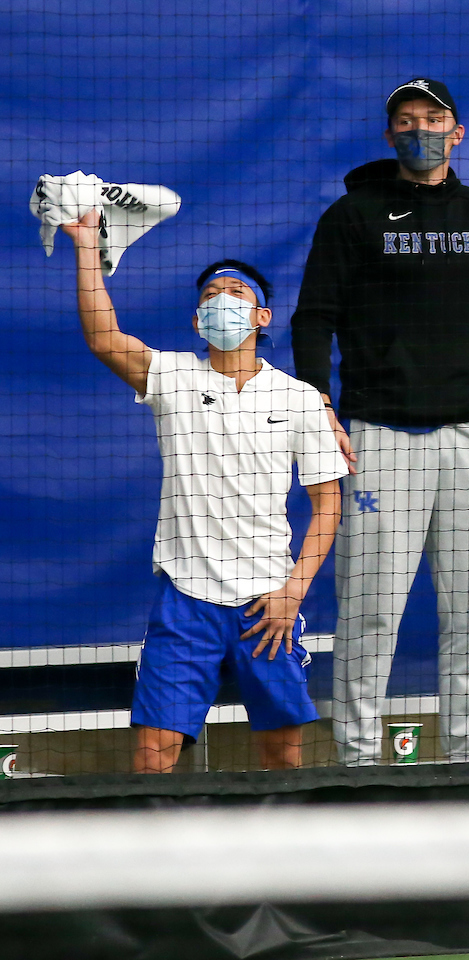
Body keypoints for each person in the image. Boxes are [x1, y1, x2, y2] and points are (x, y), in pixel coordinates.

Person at [292, 78, 469, 765]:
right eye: (406, 121)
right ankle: (357, 768)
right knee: (370, 615)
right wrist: (320, 405)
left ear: (457, 130)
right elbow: (313, 317)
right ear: (389, 136)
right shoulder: (352, 216)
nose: (420, 129)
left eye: (432, 118)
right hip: (378, 441)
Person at [61, 209, 346, 774]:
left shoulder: (300, 399)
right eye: (210, 296)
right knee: (151, 757)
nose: (222, 301)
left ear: (262, 315)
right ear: (198, 321)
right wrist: (85, 246)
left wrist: (292, 592)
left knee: (283, 757)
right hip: (185, 601)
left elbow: (328, 505)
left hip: (268, 604)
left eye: (235, 292)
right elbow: (102, 336)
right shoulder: (174, 377)